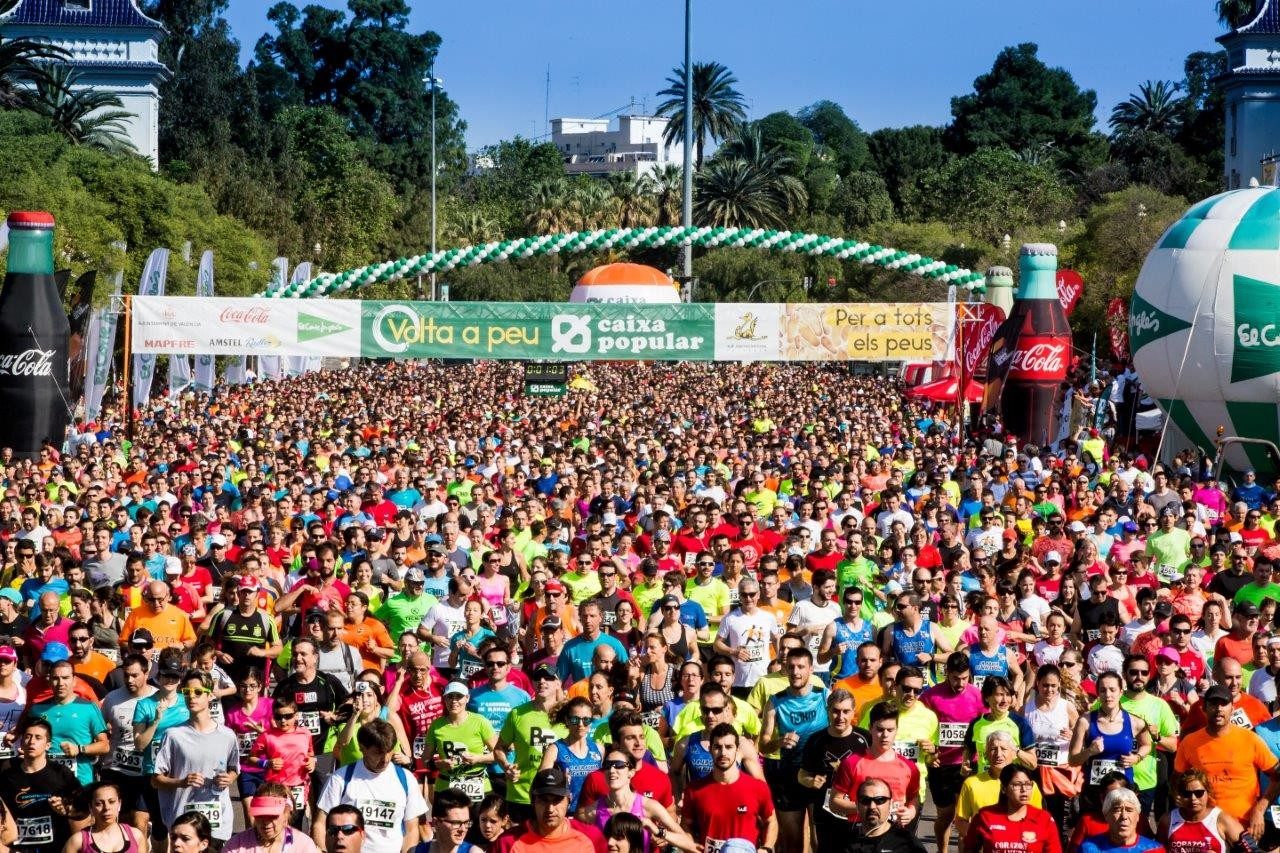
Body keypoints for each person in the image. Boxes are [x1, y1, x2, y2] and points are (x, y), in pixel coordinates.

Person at [1174, 684, 1280, 837]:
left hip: (1244, 827)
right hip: (1204, 827)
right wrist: (1181, 799)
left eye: (1224, 704)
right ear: (1203, 708)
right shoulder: (1189, 742)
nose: (1219, 709)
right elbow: (1176, 781)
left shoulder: (1250, 739)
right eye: (1213, 704)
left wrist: (1259, 809)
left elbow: (1277, 775)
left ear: (1233, 708)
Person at [152, 669, 240, 845]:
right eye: (187, 692)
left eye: (198, 692)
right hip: (183, 823)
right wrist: (181, 782)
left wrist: (228, 778)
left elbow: (234, 769)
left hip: (216, 822)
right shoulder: (173, 735)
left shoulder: (227, 735)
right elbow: (155, 780)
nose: (192, 697)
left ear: (210, 696)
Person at [312, 719, 428, 853]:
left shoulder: (406, 779)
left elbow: (412, 829)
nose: (385, 759)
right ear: (362, 748)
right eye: (378, 752)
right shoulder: (341, 778)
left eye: (389, 751)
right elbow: (320, 824)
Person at [576, 746, 697, 852]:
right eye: (607, 766)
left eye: (619, 765)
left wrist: (659, 832)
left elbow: (689, 843)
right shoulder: (592, 812)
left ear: (631, 772)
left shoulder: (648, 806)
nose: (612, 770)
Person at [679, 724, 777, 853]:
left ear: (737, 750)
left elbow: (771, 821)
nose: (723, 752)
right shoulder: (694, 790)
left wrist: (766, 848)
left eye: (729, 747)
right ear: (710, 749)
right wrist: (692, 847)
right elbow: (686, 825)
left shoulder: (757, 787)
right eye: (718, 747)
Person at [0, 718, 75, 853]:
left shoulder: (62, 774)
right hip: (18, 849)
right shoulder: (6, 775)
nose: (31, 741)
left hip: (55, 847)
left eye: (38, 737)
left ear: (48, 745)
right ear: (21, 742)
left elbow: (81, 812)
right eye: (27, 737)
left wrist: (67, 809)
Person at [489, 766, 599, 853]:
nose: (550, 809)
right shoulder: (507, 843)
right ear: (533, 802)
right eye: (543, 800)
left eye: (557, 800)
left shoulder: (591, 837)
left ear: (569, 801)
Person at [424, 681, 498, 805]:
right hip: (446, 788)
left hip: (477, 787)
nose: (454, 701)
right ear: (445, 699)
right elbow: (425, 759)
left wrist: (478, 759)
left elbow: (499, 754)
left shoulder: (480, 722)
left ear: (467, 698)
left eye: (458, 696)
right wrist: (439, 764)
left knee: (479, 824)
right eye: (450, 696)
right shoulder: (436, 725)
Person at [962, 764, 1061, 853]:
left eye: (1028, 784)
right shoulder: (985, 816)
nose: (1024, 790)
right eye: (1017, 785)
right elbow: (969, 849)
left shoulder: (1044, 818)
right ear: (1004, 789)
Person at [1156, 770, 1251, 853]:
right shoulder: (1168, 820)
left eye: (1199, 793)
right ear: (1180, 795)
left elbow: (1253, 849)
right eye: (1186, 794)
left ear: (1208, 793)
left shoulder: (1221, 820)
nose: (1193, 798)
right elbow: (1156, 851)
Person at [223, 783, 322, 853]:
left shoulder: (303, 845)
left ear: (287, 814)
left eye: (273, 816)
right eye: (260, 815)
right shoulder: (235, 845)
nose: (266, 822)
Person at [62, 780, 146, 853]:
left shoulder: (136, 836)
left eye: (112, 801)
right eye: (99, 804)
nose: (106, 808)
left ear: (119, 804)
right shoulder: (78, 841)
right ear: (91, 807)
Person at [1078, 787, 1166, 853]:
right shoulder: (1090, 848)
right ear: (1106, 815)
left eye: (1129, 810)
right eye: (1117, 810)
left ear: (1138, 816)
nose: (1124, 816)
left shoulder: (1154, 850)